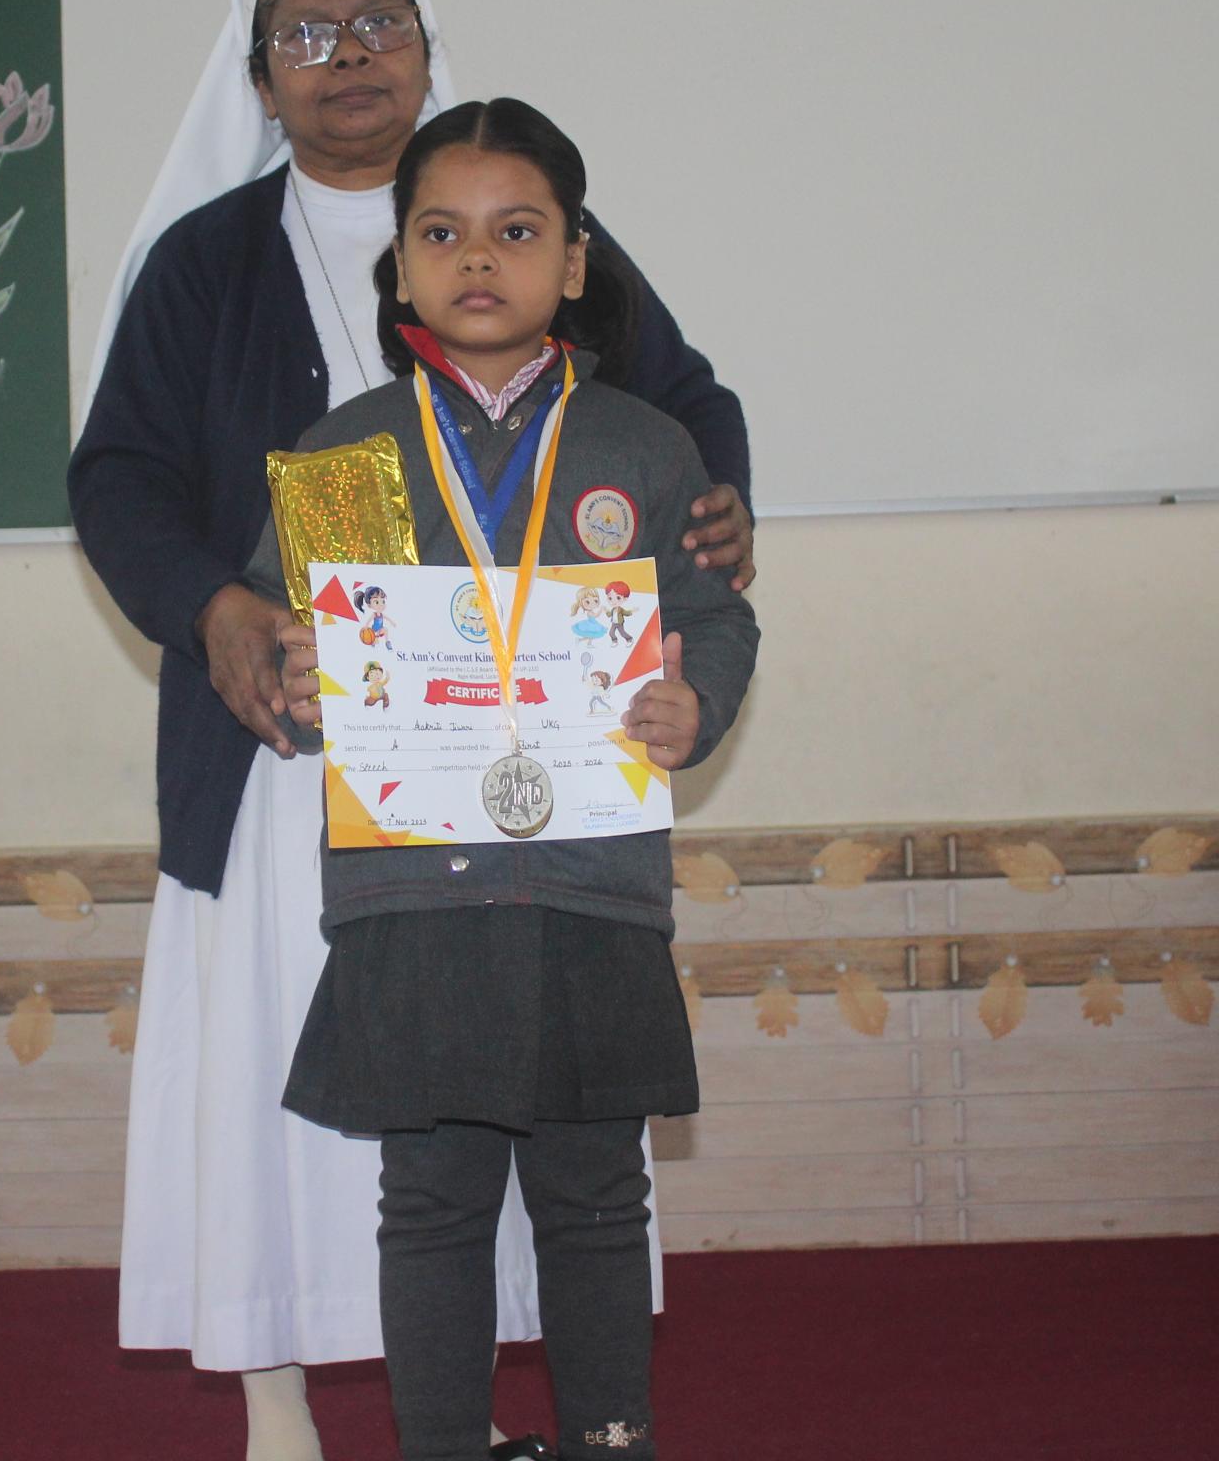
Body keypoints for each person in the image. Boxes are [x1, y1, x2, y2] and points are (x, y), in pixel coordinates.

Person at [69, 0, 753, 1461]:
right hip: (310, 780)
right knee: (374, 1141)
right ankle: (286, 1407)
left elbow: (684, 413)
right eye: (307, 35)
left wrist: (719, 523)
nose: (349, 55)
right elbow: (116, 479)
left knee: (562, 1155)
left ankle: (546, 1416)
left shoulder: (530, 217)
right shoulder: (206, 263)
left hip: (557, 833)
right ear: (258, 78)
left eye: (378, 21)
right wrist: (224, 611)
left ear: (428, 45)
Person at [251, 97, 759, 1461]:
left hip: (590, 884)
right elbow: (288, 650)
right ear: (402, 263)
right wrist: (296, 679)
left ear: (575, 262)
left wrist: (694, 701)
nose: (479, 259)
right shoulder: (344, 457)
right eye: (442, 233)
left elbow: (715, 620)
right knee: (430, 1202)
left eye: (518, 232)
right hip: (413, 894)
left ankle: (609, 1441)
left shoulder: (644, 448)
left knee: (595, 1199)